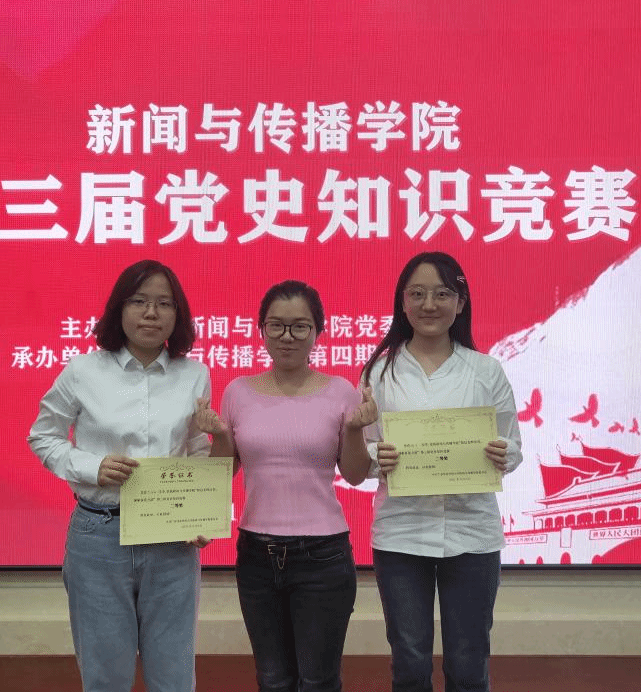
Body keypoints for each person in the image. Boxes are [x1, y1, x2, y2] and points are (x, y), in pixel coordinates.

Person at [28, 260, 211, 692]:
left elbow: (198, 450)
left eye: (164, 303)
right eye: (139, 301)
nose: (151, 313)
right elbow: (43, 436)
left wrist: (202, 514)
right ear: (119, 309)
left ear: (177, 314)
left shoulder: (194, 374)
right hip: (100, 536)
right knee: (105, 677)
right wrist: (93, 467)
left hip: (171, 540)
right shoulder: (83, 371)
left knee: (173, 678)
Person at [196, 280, 378, 692]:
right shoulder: (238, 391)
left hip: (323, 555)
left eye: (300, 326)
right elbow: (223, 472)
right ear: (261, 330)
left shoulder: (341, 391)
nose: (287, 336)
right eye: (276, 325)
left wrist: (354, 430)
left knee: (318, 680)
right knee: (273, 679)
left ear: (318, 331)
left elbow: (354, 474)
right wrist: (218, 436)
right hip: (256, 555)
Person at [360, 252, 523, 692]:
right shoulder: (379, 372)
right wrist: (378, 456)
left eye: (442, 294)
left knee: (469, 664)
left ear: (460, 302)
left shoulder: (486, 370)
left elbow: (513, 447)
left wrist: (501, 453)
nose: (429, 304)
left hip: (472, 532)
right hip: (401, 534)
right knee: (410, 662)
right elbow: (363, 450)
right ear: (402, 302)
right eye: (417, 294)